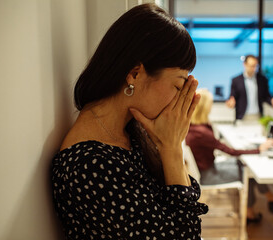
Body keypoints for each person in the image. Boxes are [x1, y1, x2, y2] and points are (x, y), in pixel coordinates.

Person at [50, 4, 208, 239]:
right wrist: (172, 148)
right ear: (135, 73)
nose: (181, 99)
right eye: (178, 85)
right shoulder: (91, 165)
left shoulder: (128, 131)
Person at [186, 89, 273, 223]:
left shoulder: (194, 127)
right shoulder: (201, 132)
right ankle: (251, 211)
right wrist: (258, 149)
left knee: (243, 165)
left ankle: (266, 199)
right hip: (208, 175)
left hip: (207, 168)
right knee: (247, 172)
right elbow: (230, 152)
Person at [225, 55, 273, 122]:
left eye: (255, 66)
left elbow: (266, 96)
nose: (253, 68)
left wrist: (272, 101)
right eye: (251, 66)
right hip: (242, 116)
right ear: (244, 64)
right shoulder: (236, 80)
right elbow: (232, 97)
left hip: (258, 116)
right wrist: (231, 102)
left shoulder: (262, 80)